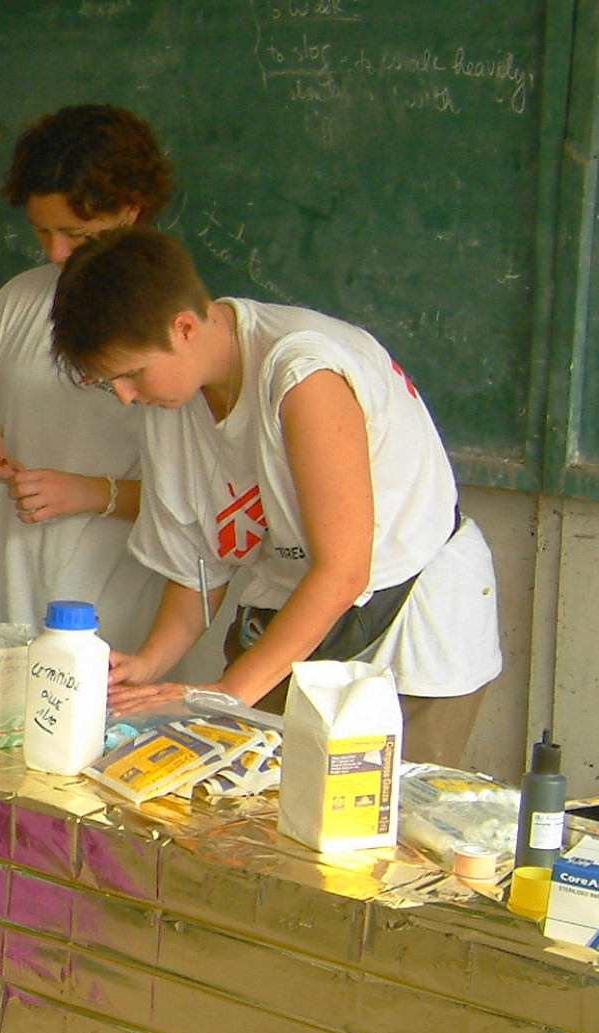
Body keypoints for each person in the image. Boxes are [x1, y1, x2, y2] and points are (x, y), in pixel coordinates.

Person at [49, 226, 502, 765]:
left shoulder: (303, 374)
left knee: (370, 831)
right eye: (110, 383)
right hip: (294, 618)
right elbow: (199, 565)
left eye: (131, 375)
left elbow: (343, 573)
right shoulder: (173, 399)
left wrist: (224, 696)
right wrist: (149, 662)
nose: (125, 396)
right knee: (249, 811)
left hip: (404, 627)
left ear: (184, 327)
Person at [0, 105, 179, 659]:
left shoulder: (168, 320)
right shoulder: (19, 300)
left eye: (75, 233)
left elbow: (200, 500)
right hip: (2, 593)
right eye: (42, 231)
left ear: (132, 212)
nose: (56, 252)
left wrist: (93, 492)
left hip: (110, 618)